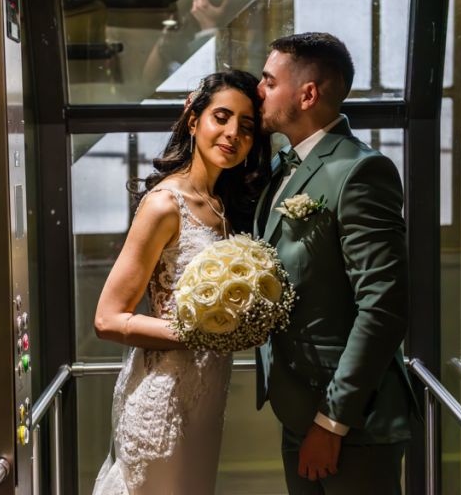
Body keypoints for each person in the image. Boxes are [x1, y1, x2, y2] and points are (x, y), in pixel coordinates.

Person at [253, 33, 419, 494]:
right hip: (297, 407)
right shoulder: (283, 167)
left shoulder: (360, 171)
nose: (258, 90)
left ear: (308, 94)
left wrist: (332, 423)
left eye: (268, 81)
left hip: (352, 423)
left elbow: (383, 308)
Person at [92, 70, 270, 495]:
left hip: (207, 400)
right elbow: (107, 319)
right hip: (163, 397)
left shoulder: (225, 206)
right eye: (221, 117)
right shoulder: (163, 205)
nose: (232, 134)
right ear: (194, 121)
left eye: (246, 126)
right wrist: (200, 332)